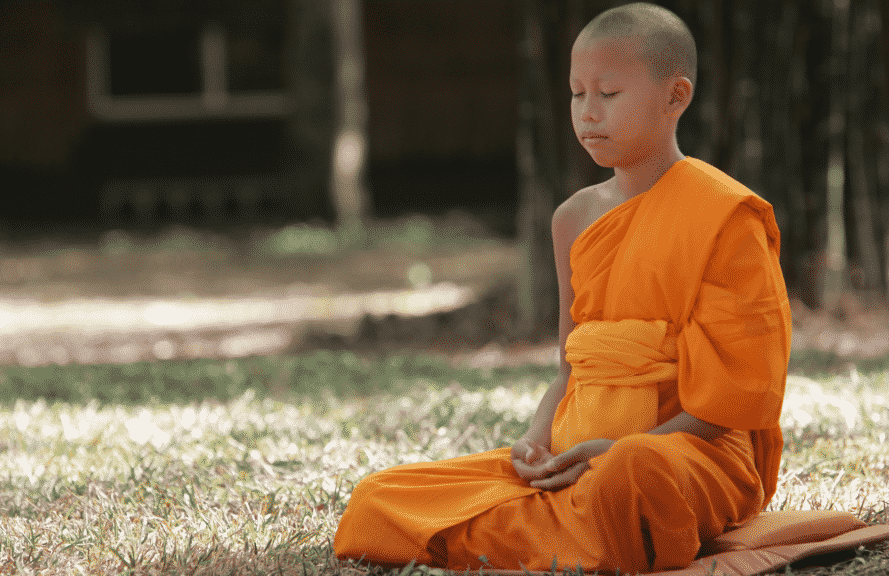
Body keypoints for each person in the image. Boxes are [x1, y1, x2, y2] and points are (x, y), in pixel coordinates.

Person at [333, 2, 791, 573]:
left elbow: (732, 401)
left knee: (632, 480)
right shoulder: (572, 219)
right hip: (571, 461)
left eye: (609, 94)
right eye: (577, 94)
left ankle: (570, 529)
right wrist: (535, 441)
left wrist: (615, 452)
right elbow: (572, 368)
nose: (588, 114)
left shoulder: (725, 215)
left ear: (677, 97)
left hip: (687, 457)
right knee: (380, 496)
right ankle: (583, 533)